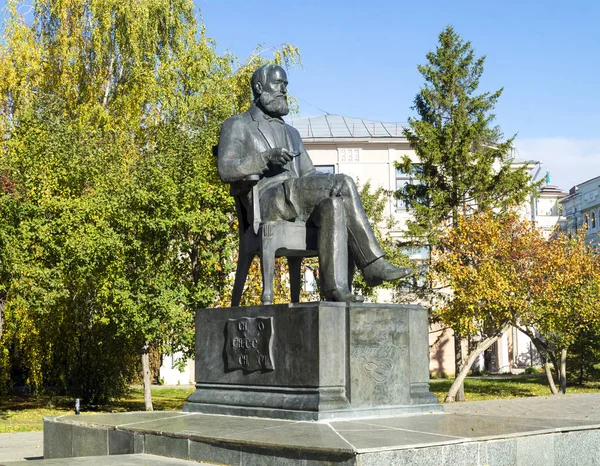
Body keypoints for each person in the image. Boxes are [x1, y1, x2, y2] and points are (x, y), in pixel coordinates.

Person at [217, 64, 411, 302]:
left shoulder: (292, 133)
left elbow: (308, 174)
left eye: (286, 85)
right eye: (279, 84)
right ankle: (372, 263)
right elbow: (226, 169)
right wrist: (266, 158)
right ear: (259, 87)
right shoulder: (237, 124)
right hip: (267, 201)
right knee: (343, 183)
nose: (284, 90)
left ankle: (335, 289)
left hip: (295, 196)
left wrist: (325, 180)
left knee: (335, 204)